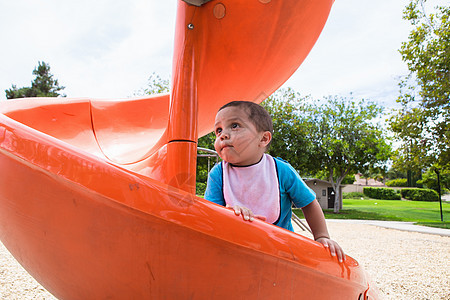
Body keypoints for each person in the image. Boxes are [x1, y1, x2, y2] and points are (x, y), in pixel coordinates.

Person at [204, 100, 345, 262]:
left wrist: (321, 236)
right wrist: (227, 214)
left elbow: (309, 202)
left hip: (282, 251)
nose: (223, 135)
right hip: (237, 250)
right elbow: (210, 214)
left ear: (263, 139)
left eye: (234, 125)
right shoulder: (218, 174)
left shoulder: (281, 170)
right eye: (218, 130)